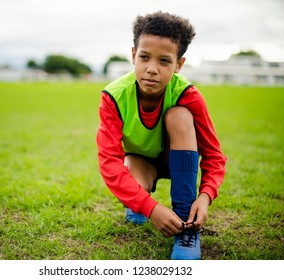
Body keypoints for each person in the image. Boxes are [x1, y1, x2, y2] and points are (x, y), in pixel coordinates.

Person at [96, 11, 227, 260]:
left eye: (164, 61)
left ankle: (186, 230)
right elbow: (109, 163)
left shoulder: (189, 95)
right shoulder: (113, 96)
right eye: (144, 57)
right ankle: (138, 201)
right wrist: (150, 207)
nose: (152, 69)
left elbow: (214, 154)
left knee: (179, 115)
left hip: (177, 158)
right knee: (133, 191)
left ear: (179, 65)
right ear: (133, 55)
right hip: (141, 162)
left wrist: (206, 195)